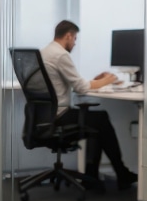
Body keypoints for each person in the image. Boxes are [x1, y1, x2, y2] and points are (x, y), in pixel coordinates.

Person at [41, 20, 138, 190]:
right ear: (68, 35)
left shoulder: (45, 52)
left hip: (45, 115)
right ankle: (121, 174)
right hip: (60, 115)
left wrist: (96, 80)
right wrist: (108, 80)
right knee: (101, 119)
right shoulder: (61, 55)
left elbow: (73, 83)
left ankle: (93, 176)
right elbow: (81, 88)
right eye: (75, 38)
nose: (75, 43)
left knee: (96, 122)